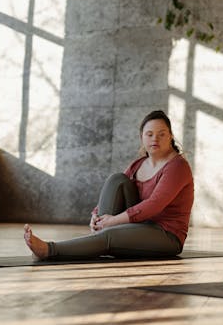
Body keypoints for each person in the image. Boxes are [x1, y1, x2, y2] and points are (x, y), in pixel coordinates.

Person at [24, 110, 194, 260]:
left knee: (110, 235)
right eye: (149, 134)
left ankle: (49, 250)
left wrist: (113, 221)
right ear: (141, 137)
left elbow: (154, 205)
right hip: (139, 227)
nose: (155, 138)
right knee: (117, 179)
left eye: (161, 134)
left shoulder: (177, 166)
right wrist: (96, 215)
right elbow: (116, 190)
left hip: (166, 235)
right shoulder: (139, 163)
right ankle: (101, 233)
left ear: (171, 136)